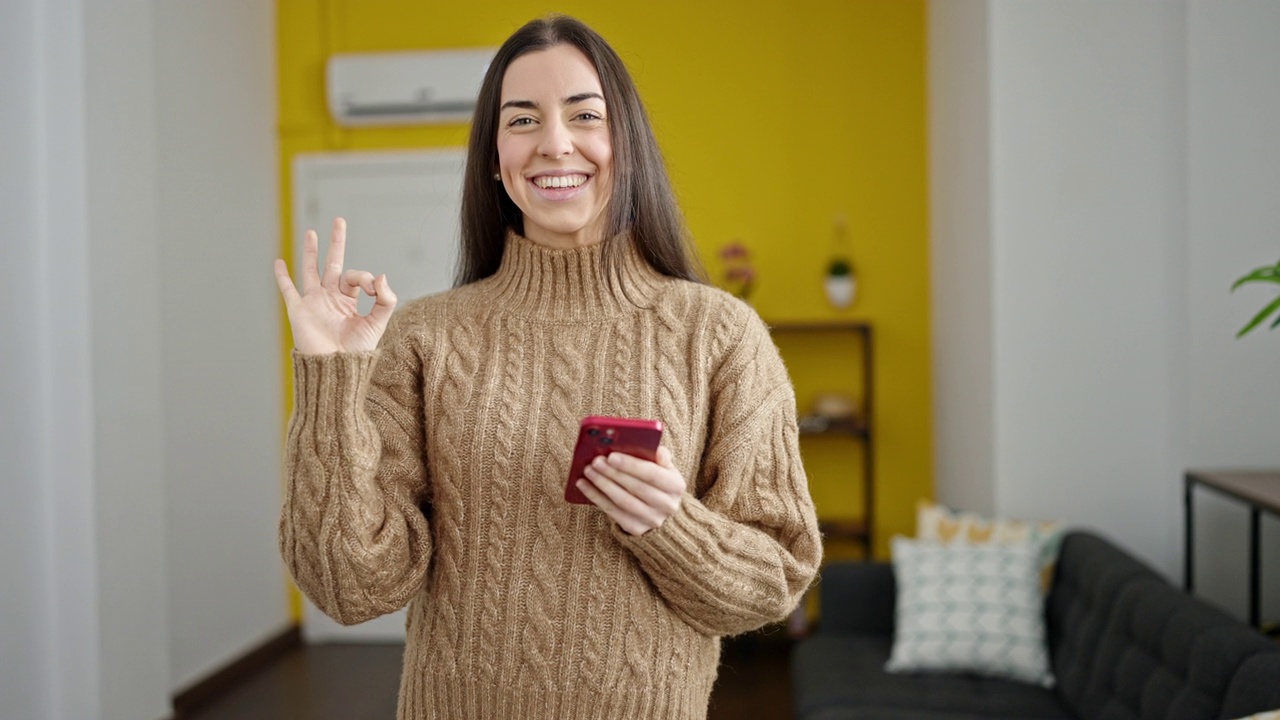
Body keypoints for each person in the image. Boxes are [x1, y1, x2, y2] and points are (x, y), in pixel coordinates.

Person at [273, 14, 821, 720]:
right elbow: (351, 588)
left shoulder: (718, 334)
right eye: (522, 119)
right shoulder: (426, 337)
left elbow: (773, 580)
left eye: (584, 115)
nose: (554, 143)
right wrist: (329, 380)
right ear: (495, 159)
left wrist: (669, 523)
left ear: (626, 143)